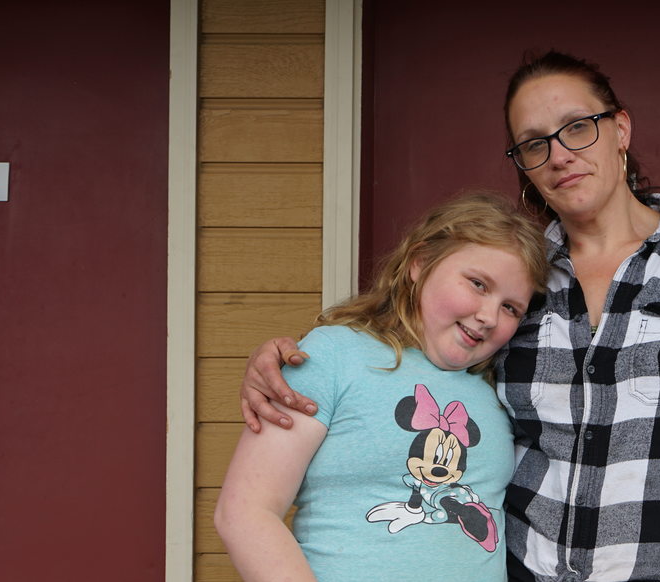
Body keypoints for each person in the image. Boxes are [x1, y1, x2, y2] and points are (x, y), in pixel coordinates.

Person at [241, 51, 660, 582]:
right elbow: (424, 361)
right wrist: (289, 361)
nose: (559, 155)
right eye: (533, 143)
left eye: (578, 127)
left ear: (620, 128)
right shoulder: (519, 281)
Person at [214, 193, 550, 582]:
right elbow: (244, 511)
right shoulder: (332, 356)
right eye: (477, 283)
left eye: (511, 307)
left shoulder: (501, 388)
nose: (489, 316)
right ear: (419, 263)